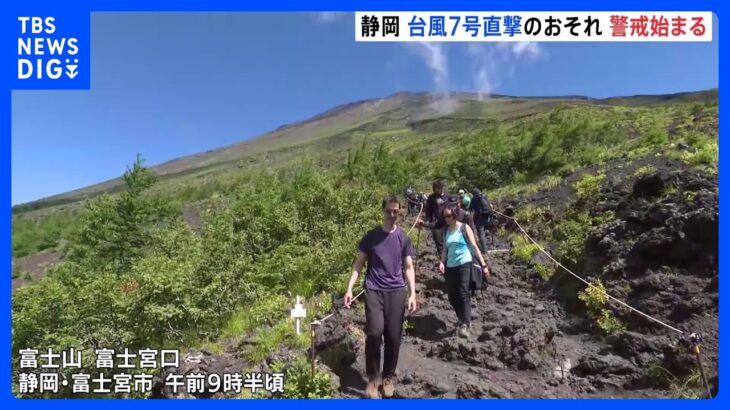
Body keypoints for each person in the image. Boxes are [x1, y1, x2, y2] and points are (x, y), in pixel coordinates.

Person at [344, 195, 417, 399]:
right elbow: (358, 264)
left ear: (400, 212)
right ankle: (374, 378)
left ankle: (388, 377)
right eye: (389, 211)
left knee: (394, 336)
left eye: (396, 211)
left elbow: (409, 267)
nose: (392, 215)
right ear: (382, 211)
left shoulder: (403, 238)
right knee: (375, 333)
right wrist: (350, 288)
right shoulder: (371, 237)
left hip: (396, 291)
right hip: (374, 290)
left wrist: (412, 294)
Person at [439, 205, 489, 338]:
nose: (446, 219)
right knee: (451, 295)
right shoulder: (446, 231)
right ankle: (462, 318)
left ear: (455, 215)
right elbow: (445, 249)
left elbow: (473, 246)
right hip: (450, 266)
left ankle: (466, 325)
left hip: (465, 263)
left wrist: (483, 265)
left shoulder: (464, 228)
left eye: (448, 216)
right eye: (444, 216)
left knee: (463, 292)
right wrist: (442, 262)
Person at [418, 180, 448, 258]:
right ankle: (442, 261)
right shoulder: (431, 198)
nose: (437, 190)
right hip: (436, 223)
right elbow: (428, 210)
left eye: (439, 188)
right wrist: (425, 220)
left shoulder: (447, 197)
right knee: (439, 243)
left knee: (448, 241)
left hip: (447, 222)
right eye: (435, 188)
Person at [468, 188, 493, 254]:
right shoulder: (485, 196)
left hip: (479, 218)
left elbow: (470, 209)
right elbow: (491, 206)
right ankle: (489, 246)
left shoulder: (474, 199)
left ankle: (484, 251)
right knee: (485, 232)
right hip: (488, 217)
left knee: (481, 234)